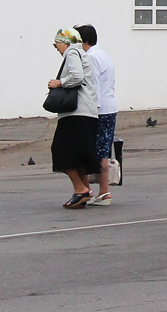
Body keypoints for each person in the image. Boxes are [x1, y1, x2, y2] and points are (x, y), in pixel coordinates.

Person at [48, 27, 100, 209]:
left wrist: (59, 83)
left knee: (61, 150)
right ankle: (84, 190)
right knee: (79, 153)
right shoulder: (82, 54)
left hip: (76, 113)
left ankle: (80, 189)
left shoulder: (72, 53)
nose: (57, 48)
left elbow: (77, 77)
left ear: (65, 42)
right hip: (87, 111)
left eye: (57, 45)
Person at [76, 23, 116, 207]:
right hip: (110, 107)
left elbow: (94, 87)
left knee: (91, 152)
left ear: (83, 41)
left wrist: (92, 111)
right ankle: (103, 192)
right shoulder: (104, 55)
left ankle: (97, 192)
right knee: (103, 152)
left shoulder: (90, 57)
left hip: (98, 109)